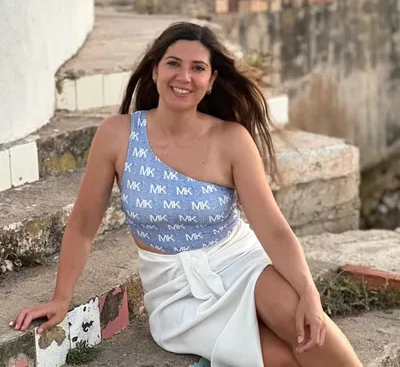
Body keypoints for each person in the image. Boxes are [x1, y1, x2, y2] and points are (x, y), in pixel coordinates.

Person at [11, 22, 362, 367]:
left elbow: (273, 229)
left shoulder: (232, 139)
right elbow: (83, 225)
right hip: (173, 291)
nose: (184, 76)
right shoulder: (117, 135)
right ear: (155, 71)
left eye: (198, 68)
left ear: (211, 81)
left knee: (307, 331)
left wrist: (309, 292)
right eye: (174, 63)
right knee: (284, 359)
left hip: (238, 262)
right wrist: (61, 298)